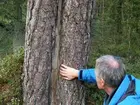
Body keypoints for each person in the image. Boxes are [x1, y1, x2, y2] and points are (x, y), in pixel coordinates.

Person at [60, 55, 140, 105]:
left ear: (102, 82)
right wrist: (78, 73)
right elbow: (102, 75)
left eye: (96, 73)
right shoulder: (129, 82)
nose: (95, 74)